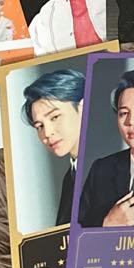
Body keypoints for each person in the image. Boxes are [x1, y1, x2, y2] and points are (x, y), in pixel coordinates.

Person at [77, 66, 134, 228]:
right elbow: (76, 232)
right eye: (123, 113)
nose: (131, 121)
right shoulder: (101, 170)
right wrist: (108, 224)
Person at [21, 67, 86, 226]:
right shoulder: (69, 179)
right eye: (39, 126)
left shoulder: (115, 166)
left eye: (55, 117)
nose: (47, 133)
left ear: (82, 109)